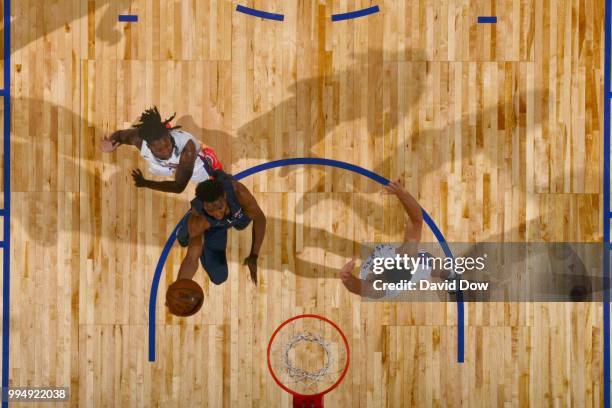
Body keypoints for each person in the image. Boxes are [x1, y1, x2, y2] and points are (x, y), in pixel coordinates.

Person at [339, 180, 452, 299]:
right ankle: (451, 275)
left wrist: (346, 277)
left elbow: (358, 287)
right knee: (430, 261)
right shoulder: (405, 257)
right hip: (412, 270)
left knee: (434, 266)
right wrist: (402, 194)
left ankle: (450, 276)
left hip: (410, 271)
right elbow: (417, 220)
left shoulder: (378, 288)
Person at [174, 170, 266, 286]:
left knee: (243, 222)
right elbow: (191, 258)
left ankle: (228, 221)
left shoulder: (239, 193)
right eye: (210, 210)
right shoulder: (200, 220)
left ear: (225, 196)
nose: (217, 214)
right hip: (212, 227)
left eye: (220, 207)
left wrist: (254, 254)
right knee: (219, 277)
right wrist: (180, 286)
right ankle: (185, 231)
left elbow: (259, 217)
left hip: (230, 216)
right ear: (203, 206)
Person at [100, 106, 222, 193]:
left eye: (167, 145)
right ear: (148, 145)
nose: (166, 152)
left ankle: (208, 157)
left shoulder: (187, 149)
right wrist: (111, 142)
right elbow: (121, 135)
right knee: (169, 170)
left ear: (168, 135)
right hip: (165, 166)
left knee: (206, 179)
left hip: (194, 165)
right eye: (159, 149)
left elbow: (178, 187)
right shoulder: (139, 140)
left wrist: (146, 183)